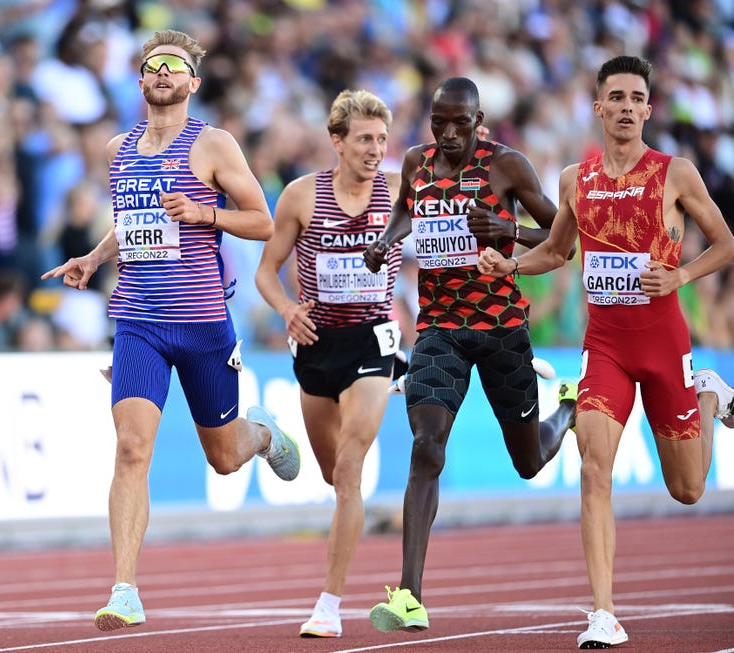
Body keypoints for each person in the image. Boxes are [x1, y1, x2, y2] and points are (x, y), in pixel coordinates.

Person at [41, 29, 300, 632]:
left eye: (174, 67)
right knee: (132, 449)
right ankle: (124, 588)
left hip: (204, 322)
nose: (163, 73)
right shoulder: (118, 147)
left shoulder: (212, 145)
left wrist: (203, 212)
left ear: (192, 83)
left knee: (225, 458)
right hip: (139, 321)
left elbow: (263, 222)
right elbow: (130, 223)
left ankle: (261, 434)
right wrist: (94, 257)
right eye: (154, 65)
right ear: (140, 80)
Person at [477, 55, 734, 649]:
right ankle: (602, 613)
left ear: (647, 108)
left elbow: (725, 244)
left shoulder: (677, 174)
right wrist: (511, 263)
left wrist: (682, 276)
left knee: (688, 489)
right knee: (595, 473)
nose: (624, 106)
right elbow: (557, 252)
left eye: (635, 98)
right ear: (598, 107)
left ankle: (711, 397)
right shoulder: (575, 178)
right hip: (606, 347)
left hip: (664, 341)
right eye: (614, 96)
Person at [361, 76, 578, 634]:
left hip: (502, 328)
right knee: (426, 446)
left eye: (461, 123)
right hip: (439, 330)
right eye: (440, 123)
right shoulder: (416, 161)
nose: (450, 133)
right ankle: (410, 594)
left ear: (480, 121)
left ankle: (568, 411)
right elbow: (407, 212)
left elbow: (563, 237)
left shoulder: (507, 166)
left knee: (528, 464)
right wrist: (387, 241)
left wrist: (509, 229)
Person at [254, 89, 402, 638]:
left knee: (348, 473)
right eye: (364, 138)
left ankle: (329, 604)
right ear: (337, 141)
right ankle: (270, 439)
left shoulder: (398, 194)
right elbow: (266, 272)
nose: (375, 149)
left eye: (382, 139)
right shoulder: (301, 197)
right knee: (328, 473)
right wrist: (289, 309)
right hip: (316, 345)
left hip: (371, 342)